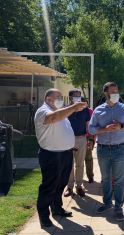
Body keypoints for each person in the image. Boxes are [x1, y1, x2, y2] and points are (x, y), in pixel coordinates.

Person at [34, 88, 87, 227]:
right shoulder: (43, 111)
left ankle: (57, 208)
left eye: (60, 97)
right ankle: (44, 216)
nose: (59, 99)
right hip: (52, 155)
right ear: (48, 99)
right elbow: (52, 118)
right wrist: (73, 107)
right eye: (56, 97)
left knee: (60, 184)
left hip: (65, 153)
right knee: (49, 186)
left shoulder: (60, 112)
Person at [88, 82, 124, 221]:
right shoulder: (98, 111)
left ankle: (119, 207)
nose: (116, 94)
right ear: (106, 94)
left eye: (117, 91)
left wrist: (121, 126)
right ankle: (107, 203)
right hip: (102, 149)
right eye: (113, 92)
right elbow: (91, 128)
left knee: (119, 180)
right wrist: (104, 129)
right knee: (105, 179)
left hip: (119, 149)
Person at [63, 89, 92, 197]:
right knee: (69, 165)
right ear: (70, 97)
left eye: (79, 96)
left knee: (80, 164)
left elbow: (88, 124)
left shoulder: (85, 110)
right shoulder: (64, 109)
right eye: (75, 96)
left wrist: (90, 139)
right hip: (68, 139)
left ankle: (79, 186)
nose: (78, 98)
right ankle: (69, 187)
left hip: (81, 139)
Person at [82, 97, 96, 183]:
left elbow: (93, 124)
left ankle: (90, 176)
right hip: (77, 136)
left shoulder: (90, 111)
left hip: (88, 137)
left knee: (88, 157)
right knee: (77, 159)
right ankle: (78, 176)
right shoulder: (73, 110)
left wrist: (92, 139)